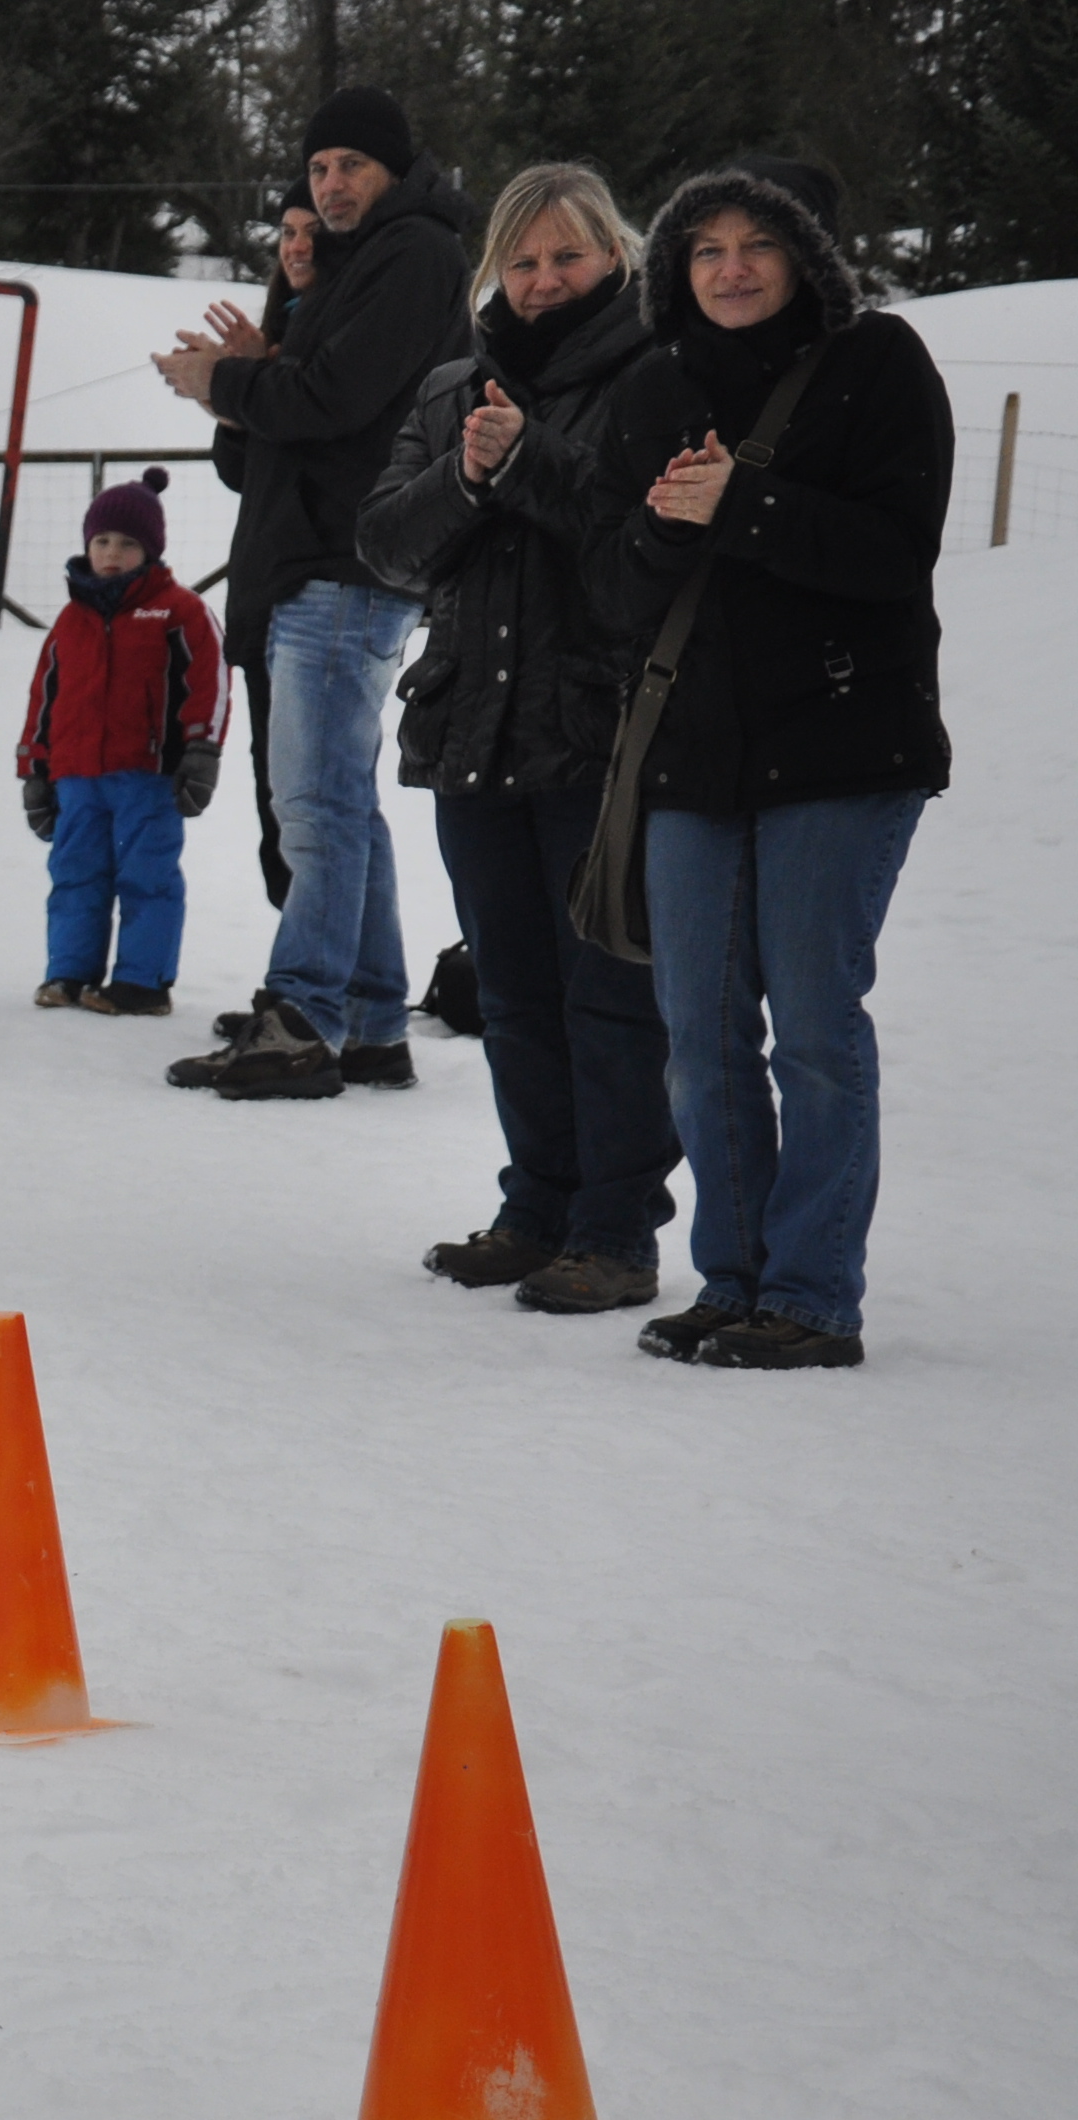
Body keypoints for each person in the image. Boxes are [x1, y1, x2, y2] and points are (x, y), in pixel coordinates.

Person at [596, 162, 949, 1371]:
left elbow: (894, 553)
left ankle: (809, 1295)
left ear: (806, 256)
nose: (731, 268)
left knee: (809, 1027)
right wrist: (661, 525)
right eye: (705, 248)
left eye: (757, 244)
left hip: (843, 745)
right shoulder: (652, 385)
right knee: (697, 1035)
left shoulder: (877, 363)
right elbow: (612, 589)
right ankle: (731, 1279)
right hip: (693, 755)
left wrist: (741, 503)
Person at [358, 163, 674, 1316]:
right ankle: (536, 1208)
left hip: (597, 735)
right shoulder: (453, 386)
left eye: (566, 257)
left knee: (609, 996)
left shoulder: (656, 374)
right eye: (523, 260)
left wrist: (530, 460)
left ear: (614, 257)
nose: (542, 281)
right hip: (471, 733)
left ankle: (615, 1232)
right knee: (513, 995)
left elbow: (644, 547)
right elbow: (383, 544)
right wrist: (466, 472)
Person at [154, 89, 469, 1101]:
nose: (330, 185)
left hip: (345, 567)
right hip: (317, 564)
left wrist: (226, 383)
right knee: (338, 802)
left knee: (316, 805)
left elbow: (333, 399)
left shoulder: (413, 254)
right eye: (318, 166)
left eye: (350, 165)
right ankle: (369, 1023)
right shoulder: (358, 262)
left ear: (393, 169)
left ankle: (301, 1017)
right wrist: (245, 387)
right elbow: (278, 444)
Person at [17, 470, 224, 1017]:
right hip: (77, 776)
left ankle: (142, 982)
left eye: (128, 543)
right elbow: (44, 697)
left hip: (147, 777)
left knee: (147, 877)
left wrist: (201, 751)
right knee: (75, 874)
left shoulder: (178, 610)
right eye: (102, 540)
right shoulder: (70, 621)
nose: (112, 553)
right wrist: (35, 770)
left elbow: (209, 683)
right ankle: (69, 971)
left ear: (151, 550)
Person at [208, 188, 320, 911]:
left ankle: (323, 962)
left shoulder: (344, 340)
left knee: (314, 801)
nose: (297, 246)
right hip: (262, 594)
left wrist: (258, 382)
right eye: (286, 231)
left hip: (317, 594)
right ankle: (296, 952)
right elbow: (240, 471)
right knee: (274, 796)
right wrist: (234, 400)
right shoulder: (282, 326)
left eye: (313, 232)